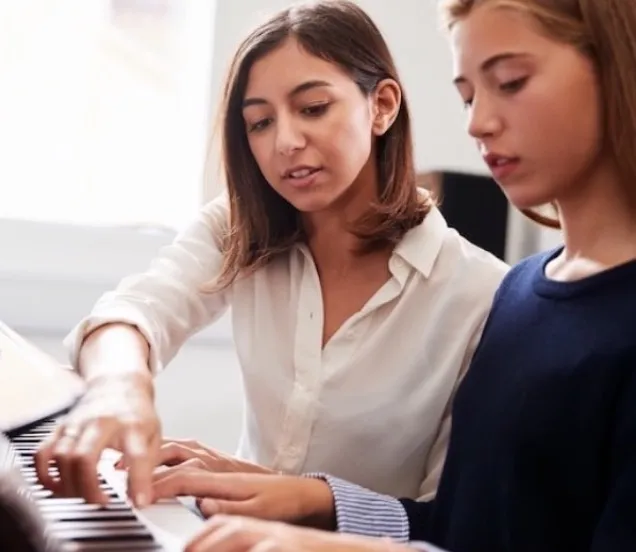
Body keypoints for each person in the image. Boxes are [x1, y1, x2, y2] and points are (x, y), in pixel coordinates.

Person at [146, 0, 636, 550]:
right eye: (468, 96)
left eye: (511, 82)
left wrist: (324, 544)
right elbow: (454, 528)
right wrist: (309, 499)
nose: (476, 123)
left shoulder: (496, 294)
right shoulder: (523, 295)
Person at [34, 0, 507, 509]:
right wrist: (119, 389)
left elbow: (451, 520)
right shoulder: (242, 227)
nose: (285, 141)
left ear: (383, 106)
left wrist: (295, 496)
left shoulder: (481, 295)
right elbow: (135, 311)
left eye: (312, 108)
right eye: (259, 122)